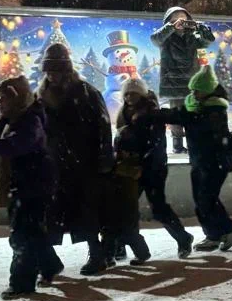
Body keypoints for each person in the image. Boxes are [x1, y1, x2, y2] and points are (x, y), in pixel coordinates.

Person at [38, 42, 114, 276]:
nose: (52, 75)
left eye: (56, 70)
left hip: (84, 162)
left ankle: (98, 255)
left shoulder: (86, 92)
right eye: (49, 71)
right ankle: (49, 262)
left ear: (66, 70)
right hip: (55, 164)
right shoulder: (41, 96)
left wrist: (104, 156)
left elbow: (103, 125)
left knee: (86, 211)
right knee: (53, 213)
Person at [0, 76, 62, 299]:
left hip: (33, 184)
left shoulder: (30, 119)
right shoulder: (5, 119)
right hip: (21, 184)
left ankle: (21, 281)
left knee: (21, 234)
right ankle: (49, 265)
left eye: (4, 98)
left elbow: (17, 144)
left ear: (17, 98)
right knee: (33, 231)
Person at [161, 64, 232, 252]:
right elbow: (180, 115)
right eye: (192, 90)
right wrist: (158, 114)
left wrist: (180, 116)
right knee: (202, 199)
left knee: (206, 199)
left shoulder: (214, 111)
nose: (194, 94)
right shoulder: (196, 108)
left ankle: (227, 230)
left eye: (197, 91)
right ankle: (214, 234)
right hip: (200, 161)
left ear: (207, 91)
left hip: (214, 163)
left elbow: (200, 125)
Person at [115, 78, 193, 258]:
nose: (129, 97)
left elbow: (155, 143)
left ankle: (182, 238)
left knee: (156, 207)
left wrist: (145, 162)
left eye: (133, 93)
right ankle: (122, 245)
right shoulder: (126, 112)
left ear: (140, 93)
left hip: (152, 167)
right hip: (132, 166)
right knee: (126, 207)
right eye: (126, 93)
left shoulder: (150, 112)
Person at [151, 7, 216, 154]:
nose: (181, 23)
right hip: (173, 84)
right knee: (176, 118)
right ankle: (177, 146)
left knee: (193, 117)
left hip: (192, 85)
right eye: (175, 20)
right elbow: (155, 39)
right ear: (169, 22)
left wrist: (202, 29)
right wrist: (171, 28)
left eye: (184, 20)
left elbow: (208, 41)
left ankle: (194, 145)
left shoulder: (193, 36)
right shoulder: (165, 37)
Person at [103, 90, 151, 266]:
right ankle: (110, 255)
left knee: (119, 227)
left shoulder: (126, 163)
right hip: (122, 194)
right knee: (117, 227)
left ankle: (136, 253)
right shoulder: (128, 140)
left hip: (122, 194)